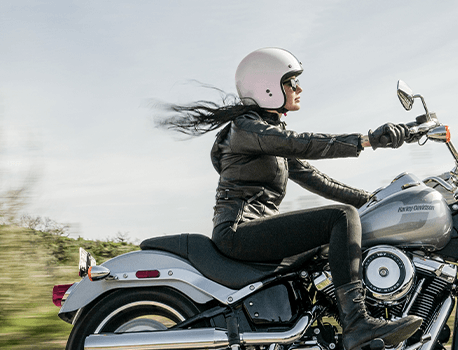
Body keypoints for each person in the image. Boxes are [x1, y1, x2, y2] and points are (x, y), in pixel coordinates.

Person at [157, 47, 421, 350]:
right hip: (239, 231)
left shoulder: (267, 134)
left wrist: (375, 200)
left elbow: (317, 179)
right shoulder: (247, 128)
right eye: (291, 82)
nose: (299, 88)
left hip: (255, 228)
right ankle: (357, 323)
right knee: (340, 217)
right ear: (267, 87)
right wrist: (367, 140)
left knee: (337, 233)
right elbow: (301, 144)